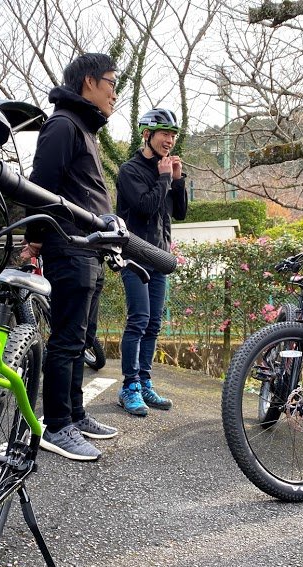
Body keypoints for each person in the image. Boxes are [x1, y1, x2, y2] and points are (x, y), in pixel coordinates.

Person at [23, 53, 120, 461]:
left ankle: (76, 414)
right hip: (69, 245)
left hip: (90, 248)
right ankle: (56, 424)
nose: (116, 93)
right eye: (112, 83)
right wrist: (35, 242)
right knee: (65, 339)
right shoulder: (62, 125)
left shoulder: (84, 128)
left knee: (80, 339)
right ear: (89, 83)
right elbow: (40, 187)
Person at [115, 108, 188, 416]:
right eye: (164, 134)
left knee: (154, 324)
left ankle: (145, 383)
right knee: (139, 319)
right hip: (134, 255)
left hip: (159, 256)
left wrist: (177, 180)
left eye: (173, 135)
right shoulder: (130, 170)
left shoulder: (166, 171)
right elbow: (144, 209)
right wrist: (162, 178)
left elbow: (180, 213)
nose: (169, 140)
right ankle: (128, 387)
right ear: (147, 134)